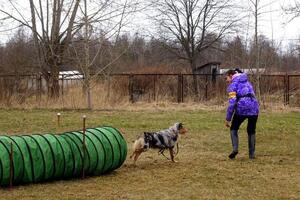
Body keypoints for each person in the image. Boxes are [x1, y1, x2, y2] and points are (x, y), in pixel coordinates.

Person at [225, 68, 259, 159]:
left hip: (242, 108)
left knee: (234, 128)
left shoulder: (233, 85)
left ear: (231, 76)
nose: (226, 81)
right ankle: (252, 155)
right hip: (254, 107)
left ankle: (235, 149)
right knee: (251, 130)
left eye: (226, 78)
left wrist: (228, 118)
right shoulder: (247, 82)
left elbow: (232, 103)